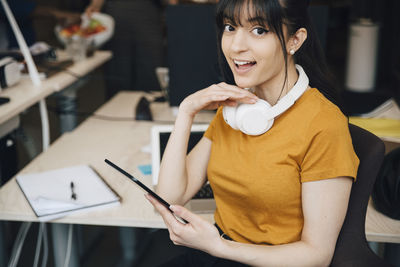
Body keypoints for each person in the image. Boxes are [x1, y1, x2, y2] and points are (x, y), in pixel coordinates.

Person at [145, 0, 360, 266]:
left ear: (295, 40)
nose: (236, 46)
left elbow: (317, 255)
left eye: (259, 30)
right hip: (216, 252)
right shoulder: (236, 110)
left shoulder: (323, 125)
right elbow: (168, 199)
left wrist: (220, 247)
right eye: (230, 27)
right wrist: (187, 112)